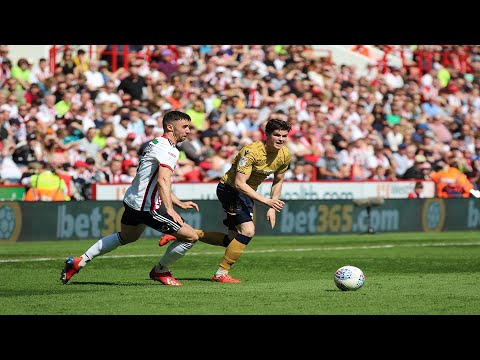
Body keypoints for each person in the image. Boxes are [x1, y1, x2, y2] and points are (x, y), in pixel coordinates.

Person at [60, 111, 201, 286]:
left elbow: (152, 177)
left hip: (133, 201)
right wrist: (170, 209)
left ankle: (79, 261)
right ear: (170, 127)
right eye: (185, 127)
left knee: (126, 237)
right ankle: (161, 271)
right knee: (191, 236)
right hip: (147, 207)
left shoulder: (155, 143)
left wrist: (177, 201)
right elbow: (163, 178)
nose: (188, 131)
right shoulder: (169, 150)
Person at [159, 118, 292, 283]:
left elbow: (278, 180)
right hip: (230, 190)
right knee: (248, 231)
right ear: (267, 135)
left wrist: (272, 205)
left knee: (232, 240)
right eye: (277, 135)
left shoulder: (285, 154)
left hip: (247, 194)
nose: (281, 139)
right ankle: (221, 273)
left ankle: (183, 233)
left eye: (284, 136)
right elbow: (239, 183)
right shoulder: (251, 152)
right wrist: (266, 202)